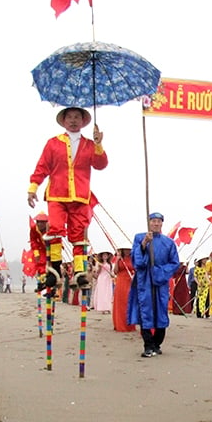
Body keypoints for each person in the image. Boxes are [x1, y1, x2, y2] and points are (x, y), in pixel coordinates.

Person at [27, 107, 107, 290]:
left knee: (78, 234)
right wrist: (33, 188)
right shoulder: (53, 143)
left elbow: (101, 165)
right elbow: (42, 167)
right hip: (57, 194)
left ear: (83, 121)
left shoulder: (88, 144)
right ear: (63, 121)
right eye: (69, 117)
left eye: (77, 117)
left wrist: (98, 144)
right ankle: (54, 270)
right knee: (55, 229)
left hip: (80, 196)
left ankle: (79, 272)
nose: (73, 120)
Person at [128, 212, 180, 357]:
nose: (156, 224)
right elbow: (137, 261)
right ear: (149, 222)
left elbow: (174, 263)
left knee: (161, 311)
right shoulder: (140, 237)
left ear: (162, 223)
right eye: (153, 221)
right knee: (145, 311)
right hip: (144, 281)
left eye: (158, 221)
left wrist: (160, 271)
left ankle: (157, 343)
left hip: (161, 281)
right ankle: (148, 345)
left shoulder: (169, 242)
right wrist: (144, 244)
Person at [112, 246, 135, 332]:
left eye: (128, 249)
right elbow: (115, 271)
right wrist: (117, 260)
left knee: (128, 302)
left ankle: (130, 324)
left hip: (130, 281)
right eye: (125, 249)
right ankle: (119, 324)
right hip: (121, 281)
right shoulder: (120, 259)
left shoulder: (133, 259)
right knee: (120, 302)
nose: (127, 251)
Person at [29, 212, 50, 289]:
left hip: (52, 247)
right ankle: (42, 281)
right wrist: (36, 252)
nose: (40, 224)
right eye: (38, 222)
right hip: (40, 248)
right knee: (40, 263)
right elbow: (33, 241)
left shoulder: (51, 227)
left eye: (42, 222)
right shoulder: (33, 228)